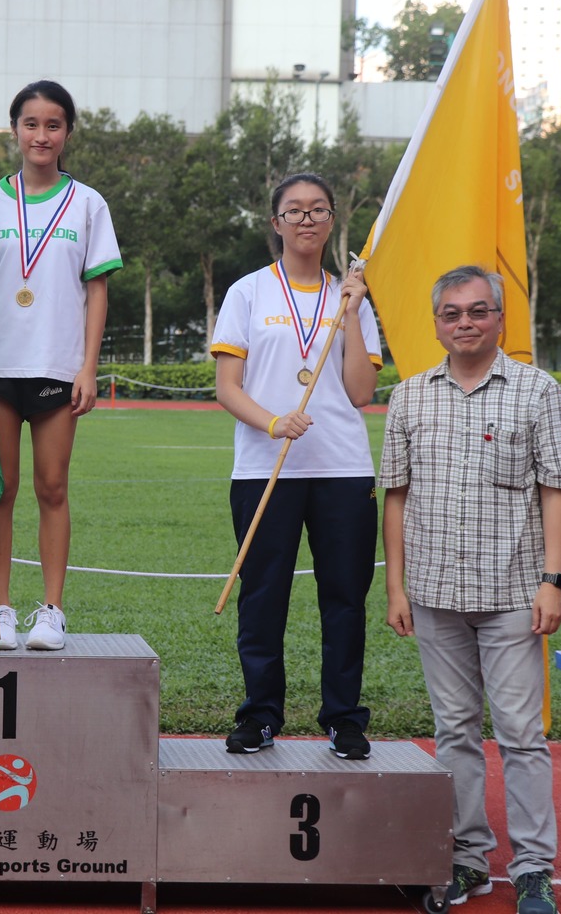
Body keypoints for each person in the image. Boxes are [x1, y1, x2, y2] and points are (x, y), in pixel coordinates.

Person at [380, 264, 561, 914]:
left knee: (520, 734)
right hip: (434, 593)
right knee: (455, 731)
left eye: (477, 310)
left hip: (513, 594)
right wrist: (397, 588)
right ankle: (467, 858)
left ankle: (534, 869)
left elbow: (555, 488)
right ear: (437, 323)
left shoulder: (537, 391)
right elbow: (396, 496)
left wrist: (552, 581)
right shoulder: (409, 396)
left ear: (499, 318)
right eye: (452, 313)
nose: (464, 322)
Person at [209, 173, 382, 759]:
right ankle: (260, 715)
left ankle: (344, 719)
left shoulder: (352, 298)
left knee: (345, 598)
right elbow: (227, 387)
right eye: (294, 210)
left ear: (332, 221)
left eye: (318, 210)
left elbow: (360, 392)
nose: (306, 219)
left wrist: (352, 313)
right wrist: (272, 422)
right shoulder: (248, 292)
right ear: (276, 223)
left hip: (342, 468)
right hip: (266, 468)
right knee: (263, 597)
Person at [0, 80, 122, 651]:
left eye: (53, 125)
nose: (41, 134)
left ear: (67, 133)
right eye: (30, 124)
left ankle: (52, 613)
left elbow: (97, 290)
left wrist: (88, 367)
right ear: (14, 130)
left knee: (52, 487)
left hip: (58, 365)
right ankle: (0, 611)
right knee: (0, 490)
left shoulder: (88, 203)